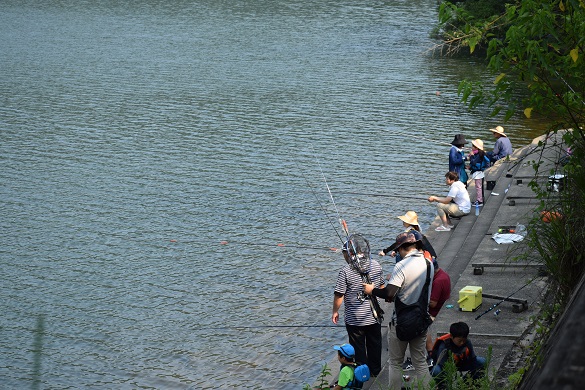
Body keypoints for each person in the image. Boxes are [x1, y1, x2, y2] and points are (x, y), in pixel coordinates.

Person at [363, 232, 433, 390]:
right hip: (421, 320)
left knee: (395, 363)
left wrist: (371, 290)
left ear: (402, 248)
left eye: (398, 249)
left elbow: (389, 294)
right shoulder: (428, 263)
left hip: (401, 322)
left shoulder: (402, 265)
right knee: (420, 361)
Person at [332, 234, 385, 377]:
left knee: (358, 347)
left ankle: (363, 374)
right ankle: (376, 371)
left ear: (349, 253)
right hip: (374, 315)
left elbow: (339, 295)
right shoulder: (375, 264)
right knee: (375, 344)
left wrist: (335, 311)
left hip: (355, 319)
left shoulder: (346, 271)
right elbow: (381, 287)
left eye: (344, 253)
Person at [378, 211, 437, 276]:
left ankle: (399, 274)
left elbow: (398, 243)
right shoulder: (416, 231)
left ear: (408, 223)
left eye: (404, 221)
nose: (403, 222)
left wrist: (385, 251)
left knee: (398, 256)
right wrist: (395, 250)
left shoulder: (410, 234)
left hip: (422, 258)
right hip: (428, 256)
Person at [430, 322, 486, 387]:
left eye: (464, 340)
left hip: (461, 363)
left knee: (482, 361)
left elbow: (473, 359)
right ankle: (442, 386)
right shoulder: (444, 346)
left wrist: (475, 373)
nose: (462, 343)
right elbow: (443, 367)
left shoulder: (467, 343)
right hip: (447, 367)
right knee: (436, 370)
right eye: (459, 341)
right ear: (451, 336)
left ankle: (466, 383)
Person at [426, 259, 451, 365]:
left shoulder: (438, 281)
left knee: (422, 328)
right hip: (442, 306)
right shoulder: (444, 274)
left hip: (435, 312)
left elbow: (433, 303)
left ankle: (431, 354)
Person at [468, 139, 490, 206]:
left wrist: (471, 156)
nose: (472, 147)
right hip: (480, 173)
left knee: (478, 187)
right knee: (480, 187)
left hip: (478, 173)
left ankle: (480, 201)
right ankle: (480, 199)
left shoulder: (479, 154)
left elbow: (473, 162)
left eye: (473, 146)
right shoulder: (480, 153)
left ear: (476, 147)